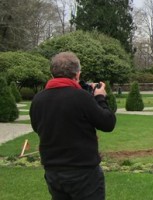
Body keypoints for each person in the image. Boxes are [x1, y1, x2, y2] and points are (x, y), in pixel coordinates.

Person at [29, 52, 116, 200]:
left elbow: (38, 128)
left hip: (53, 171)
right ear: (77, 74)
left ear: (52, 73)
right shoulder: (81, 97)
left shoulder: (38, 99)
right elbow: (108, 123)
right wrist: (100, 97)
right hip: (83, 171)